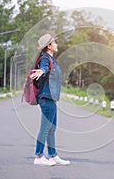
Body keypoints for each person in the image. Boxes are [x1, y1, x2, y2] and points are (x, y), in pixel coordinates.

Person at [30, 33, 70, 166]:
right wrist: (41, 71)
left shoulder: (52, 58)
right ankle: (39, 156)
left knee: (52, 128)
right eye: (54, 42)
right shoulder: (45, 58)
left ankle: (53, 156)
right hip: (46, 98)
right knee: (45, 128)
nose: (57, 44)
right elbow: (44, 67)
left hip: (51, 98)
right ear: (49, 45)